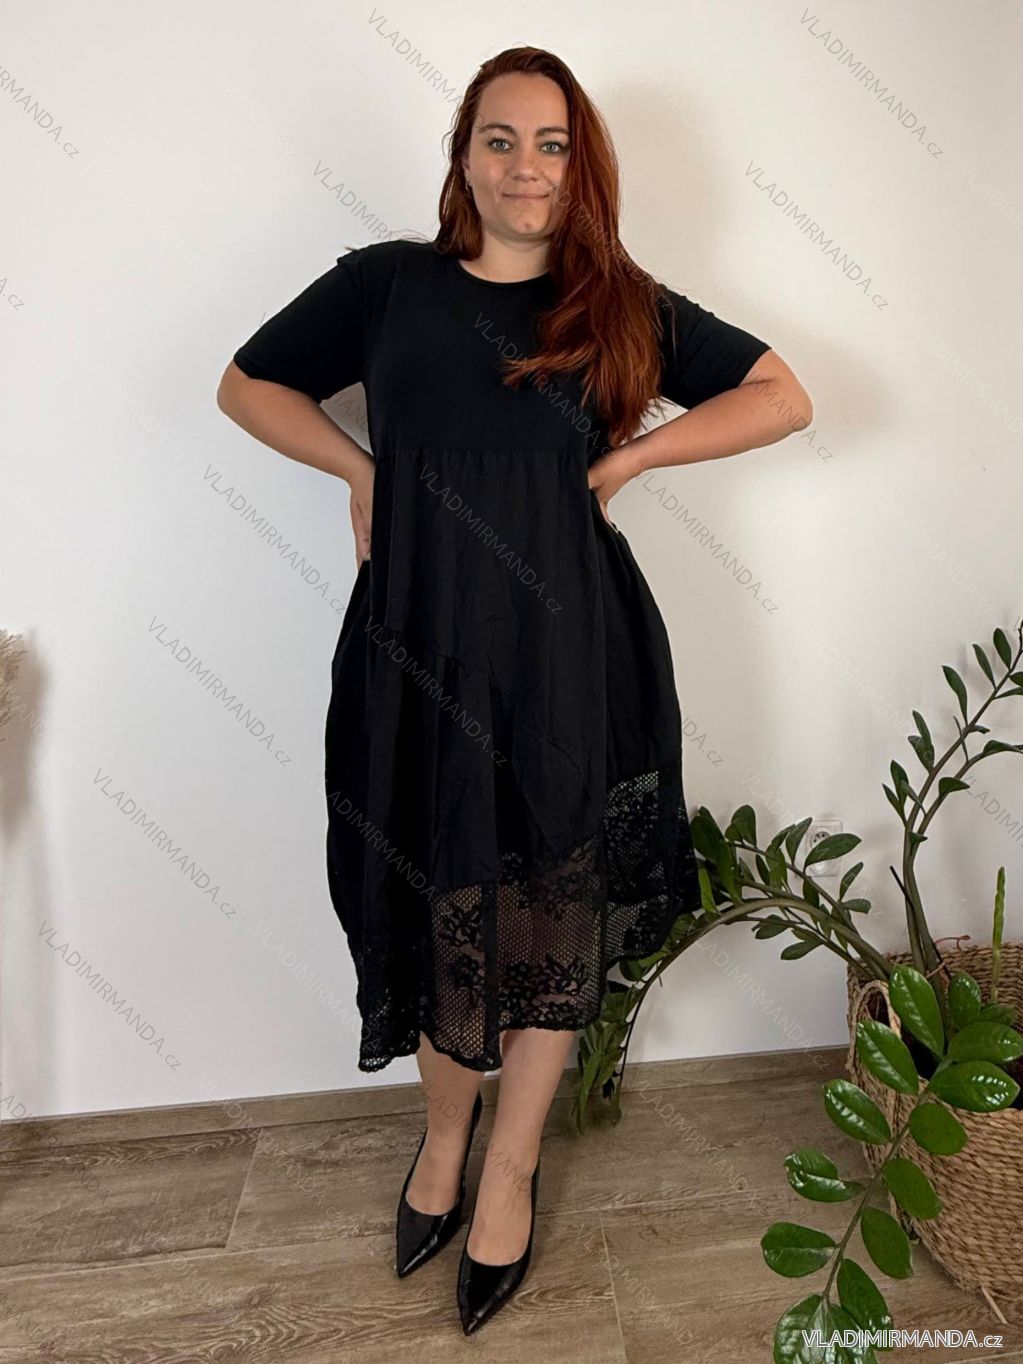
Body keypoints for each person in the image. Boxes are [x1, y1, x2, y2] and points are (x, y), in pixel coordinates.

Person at [217, 44, 811, 1337]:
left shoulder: (620, 303)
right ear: (465, 157)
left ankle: (511, 1170)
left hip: (565, 652)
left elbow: (783, 397)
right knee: (433, 896)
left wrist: (632, 461)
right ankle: (441, 1144)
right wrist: (360, 470)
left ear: (579, 163)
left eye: (551, 143)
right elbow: (245, 382)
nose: (526, 166)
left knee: (546, 910)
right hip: (416, 644)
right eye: (501, 139)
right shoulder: (384, 286)